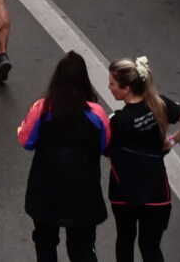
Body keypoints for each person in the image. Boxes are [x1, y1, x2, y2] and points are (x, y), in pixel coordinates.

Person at [15, 50, 108, 262]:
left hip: (45, 192)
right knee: (82, 248)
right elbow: (105, 145)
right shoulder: (97, 114)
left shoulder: (42, 109)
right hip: (83, 193)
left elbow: (26, 141)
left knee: (45, 245)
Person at [103, 56, 178, 262]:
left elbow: (105, 148)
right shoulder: (159, 104)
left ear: (126, 88)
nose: (109, 88)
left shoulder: (117, 122)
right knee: (151, 247)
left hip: (124, 193)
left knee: (125, 240)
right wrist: (171, 141)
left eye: (112, 84)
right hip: (156, 194)